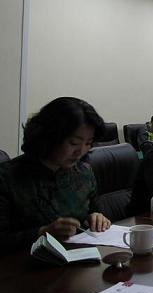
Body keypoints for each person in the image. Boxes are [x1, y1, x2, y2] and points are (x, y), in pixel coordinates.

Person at [0, 97, 111, 250]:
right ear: (49, 137)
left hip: (79, 257)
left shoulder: (84, 172)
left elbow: (94, 211)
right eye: (73, 143)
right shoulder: (7, 178)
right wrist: (41, 233)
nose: (80, 151)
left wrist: (97, 218)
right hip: (25, 261)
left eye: (88, 143)